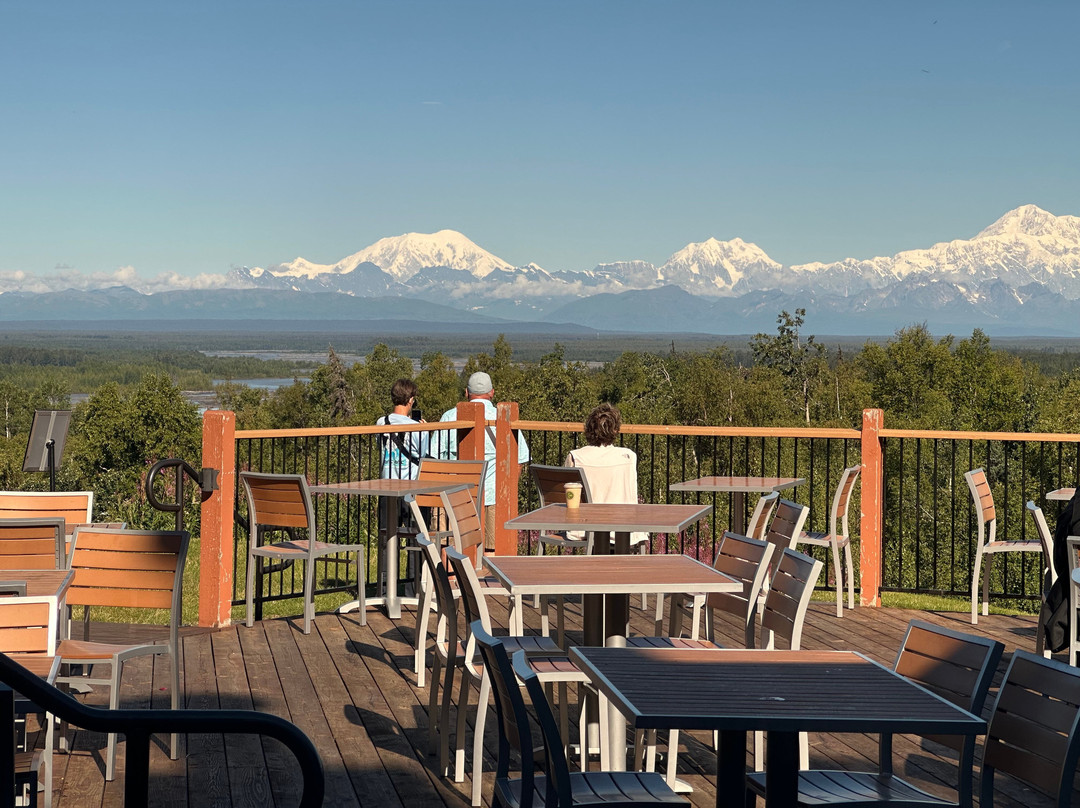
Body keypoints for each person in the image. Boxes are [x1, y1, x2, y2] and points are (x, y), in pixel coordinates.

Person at [438, 371, 530, 549]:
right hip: (494, 494)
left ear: (466, 392)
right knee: (493, 547)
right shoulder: (505, 418)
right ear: (492, 392)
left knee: (451, 545)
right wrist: (507, 492)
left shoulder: (449, 417)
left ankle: (450, 577)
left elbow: (435, 457)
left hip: (455, 494)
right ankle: (488, 577)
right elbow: (519, 461)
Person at [564, 403, 646, 548]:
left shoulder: (575, 457)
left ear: (589, 428)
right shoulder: (628, 457)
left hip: (582, 530)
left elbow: (566, 496)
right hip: (624, 531)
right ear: (615, 430)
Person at [377, 378, 429, 481]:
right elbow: (423, 457)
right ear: (410, 400)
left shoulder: (381, 422)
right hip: (409, 486)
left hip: (385, 485)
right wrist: (425, 429)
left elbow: (380, 447)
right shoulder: (419, 429)